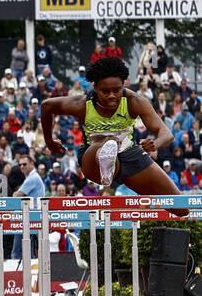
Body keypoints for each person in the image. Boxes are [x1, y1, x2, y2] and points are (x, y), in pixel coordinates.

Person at [41, 55, 184, 212]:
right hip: (93, 159)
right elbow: (47, 106)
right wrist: (48, 140)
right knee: (107, 141)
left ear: (123, 85)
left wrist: (155, 144)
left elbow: (166, 134)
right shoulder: (82, 104)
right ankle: (107, 163)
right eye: (105, 91)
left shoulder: (134, 101)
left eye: (116, 90)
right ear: (94, 88)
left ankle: (110, 162)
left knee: (181, 208)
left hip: (130, 154)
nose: (111, 96)